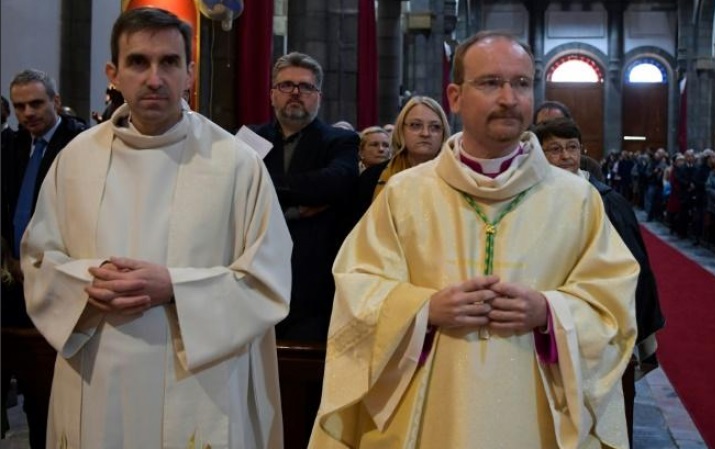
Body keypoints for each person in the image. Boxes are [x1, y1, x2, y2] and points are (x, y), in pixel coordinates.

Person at [309, 30, 638, 449]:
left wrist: (550, 312)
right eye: (489, 83)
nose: (508, 97)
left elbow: (612, 304)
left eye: (521, 83)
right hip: (431, 415)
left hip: (535, 418)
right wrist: (424, 309)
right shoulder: (405, 194)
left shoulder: (576, 199)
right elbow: (358, 291)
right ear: (455, 96)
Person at [20, 8, 291, 448]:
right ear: (114, 73)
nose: (154, 78)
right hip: (97, 376)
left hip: (199, 384)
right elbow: (37, 262)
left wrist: (173, 287)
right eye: (138, 62)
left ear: (190, 73)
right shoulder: (75, 160)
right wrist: (90, 283)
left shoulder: (235, 165)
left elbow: (269, 280)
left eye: (168, 62)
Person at [533, 117, 665, 445]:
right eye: (554, 150)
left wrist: (631, 331)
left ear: (582, 151)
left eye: (571, 148)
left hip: (598, 327)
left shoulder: (606, 200)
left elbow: (633, 271)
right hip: (543, 324)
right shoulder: (527, 199)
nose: (564, 157)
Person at [1, 69, 87, 449]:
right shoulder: (13, 145)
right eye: (20, 106)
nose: (28, 113)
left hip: (56, 279)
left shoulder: (81, 144)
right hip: (11, 278)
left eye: (36, 103)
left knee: (44, 392)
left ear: (55, 101)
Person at [251, 51, 359, 343]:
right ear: (273, 94)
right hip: (256, 276)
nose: (296, 93)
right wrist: (298, 206)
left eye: (306, 87)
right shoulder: (250, 140)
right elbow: (235, 192)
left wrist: (267, 187)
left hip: (314, 284)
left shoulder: (340, 141)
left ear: (318, 96)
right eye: (286, 85)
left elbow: (335, 184)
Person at [355, 96, 450, 218]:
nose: (425, 133)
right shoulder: (372, 178)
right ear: (401, 130)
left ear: (443, 134)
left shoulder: (458, 178)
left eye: (435, 127)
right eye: (416, 125)